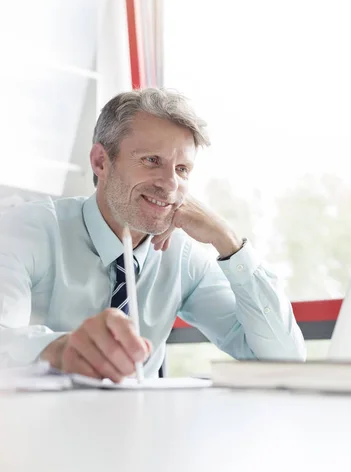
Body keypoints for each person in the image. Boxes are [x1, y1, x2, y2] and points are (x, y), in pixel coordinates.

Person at [0, 89, 305, 379]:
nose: (170, 185)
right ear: (100, 162)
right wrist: (58, 351)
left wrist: (229, 243)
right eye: (151, 161)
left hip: (142, 429)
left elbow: (284, 362)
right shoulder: (24, 230)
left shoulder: (183, 260)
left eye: (183, 169)